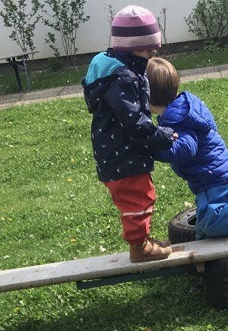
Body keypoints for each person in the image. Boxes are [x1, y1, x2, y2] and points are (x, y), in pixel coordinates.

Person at [82, 5, 177, 263]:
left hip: (116, 150)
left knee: (139, 197)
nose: (152, 54)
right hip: (122, 152)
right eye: (147, 49)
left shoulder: (118, 69)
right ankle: (139, 248)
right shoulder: (122, 77)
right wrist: (161, 135)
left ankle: (143, 240)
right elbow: (134, 122)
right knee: (138, 199)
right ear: (128, 47)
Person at [146, 57, 228, 238]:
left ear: (147, 95)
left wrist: (154, 149)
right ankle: (206, 265)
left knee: (211, 223)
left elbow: (186, 148)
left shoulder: (176, 119)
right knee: (202, 233)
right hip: (213, 177)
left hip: (215, 180)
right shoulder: (182, 109)